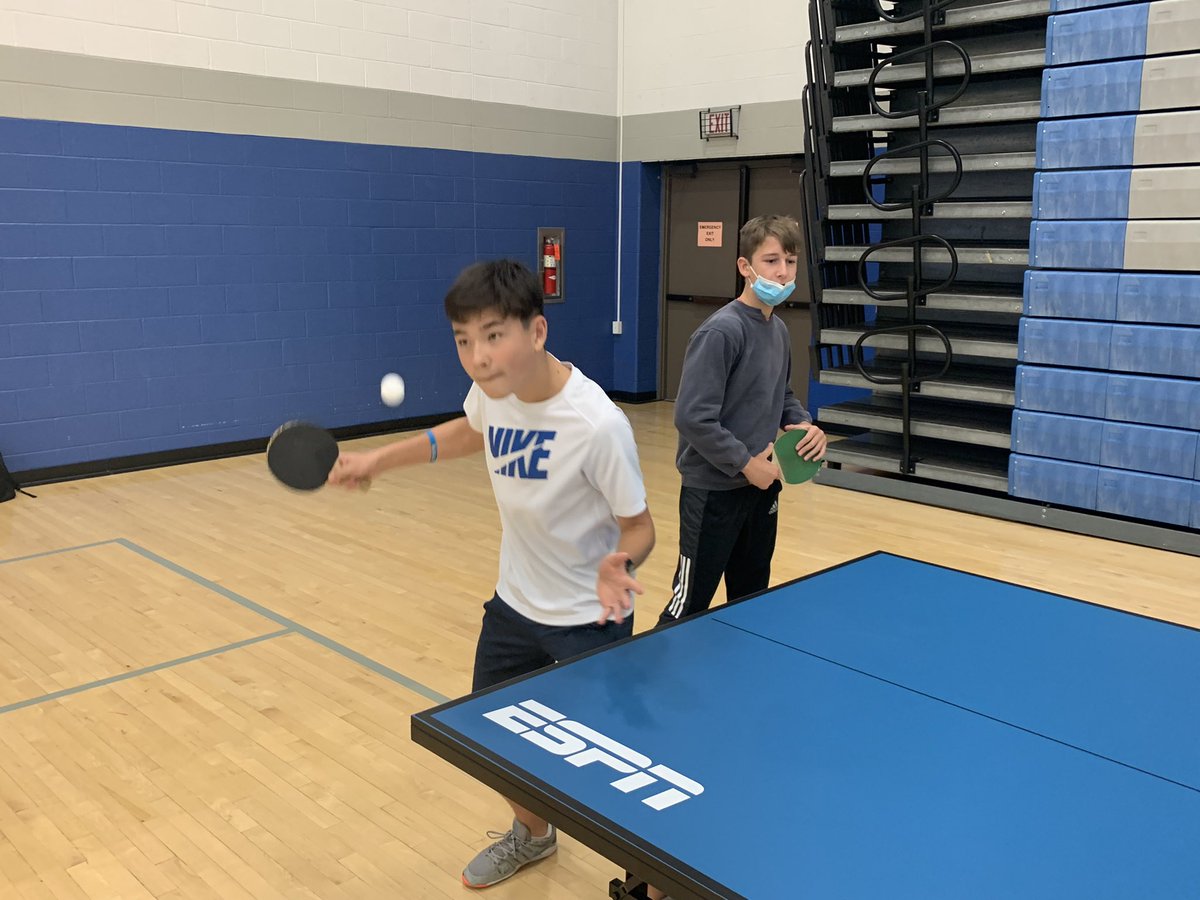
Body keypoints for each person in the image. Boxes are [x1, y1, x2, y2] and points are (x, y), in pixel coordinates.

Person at [328, 258, 655, 889]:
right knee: (491, 740)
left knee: (608, 766)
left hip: (589, 621)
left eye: (492, 335)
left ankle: (650, 876)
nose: (477, 356)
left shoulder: (597, 426)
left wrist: (622, 560)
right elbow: (465, 432)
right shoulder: (496, 391)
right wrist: (378, 461)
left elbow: (639, 525)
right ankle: (533, 834)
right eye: (462, 340)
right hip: (513, 607)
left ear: (536, 331)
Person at [657, 214, 827, 629]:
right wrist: (746, 464)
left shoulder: (779, 330)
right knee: (689, 604)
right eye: (770, 261)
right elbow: (693, 416)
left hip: (762, 487)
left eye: (789, 261)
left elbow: (780, 394)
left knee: (751, 599)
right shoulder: (721, 333)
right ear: (744, 267)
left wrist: (802, 424)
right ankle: (655, 679)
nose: (782, 271)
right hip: (713, 491)